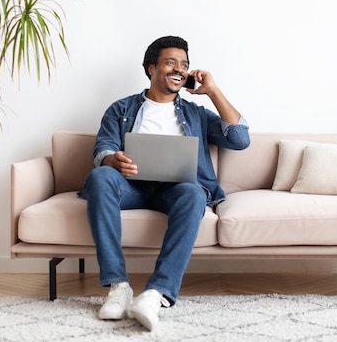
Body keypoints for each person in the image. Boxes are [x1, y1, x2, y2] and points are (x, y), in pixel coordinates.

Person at [79, 36, 250, 331]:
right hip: (129, 187)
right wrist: (112, 161)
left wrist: (212, 91)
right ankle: (118, 287)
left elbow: (240, 139)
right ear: (151, 69)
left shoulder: (196, 113)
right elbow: (102, 149)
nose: (179, 69)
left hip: (175, 191)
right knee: (99, 175)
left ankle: (156, 293)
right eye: (170, 62)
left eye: (184, 65)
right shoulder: (121, 109)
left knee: (194, 194)